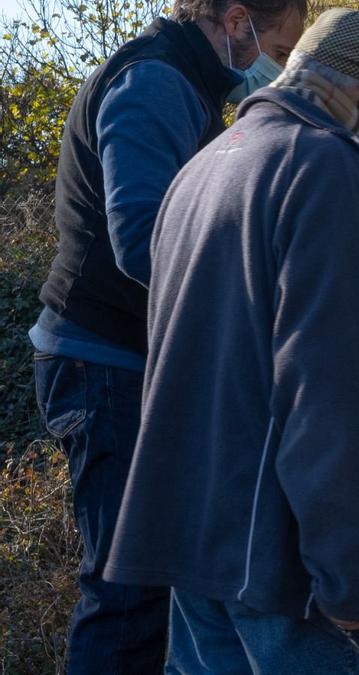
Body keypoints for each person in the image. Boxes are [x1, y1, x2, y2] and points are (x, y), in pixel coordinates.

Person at [100, 9, 359, 673]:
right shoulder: (328, 169)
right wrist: (352, 576)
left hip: (192, 553)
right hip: (287, 572)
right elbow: (332, 394)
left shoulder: (201, 170)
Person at [28, 0, 304, 670]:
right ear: (237, 20)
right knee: (128, 591)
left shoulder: (187, 82)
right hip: (104, 364)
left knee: (155, 583)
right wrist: (251, 309)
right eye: (280, 42)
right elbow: (145, 240)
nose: (281, 66)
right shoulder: (154, 82)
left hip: (133, 361)